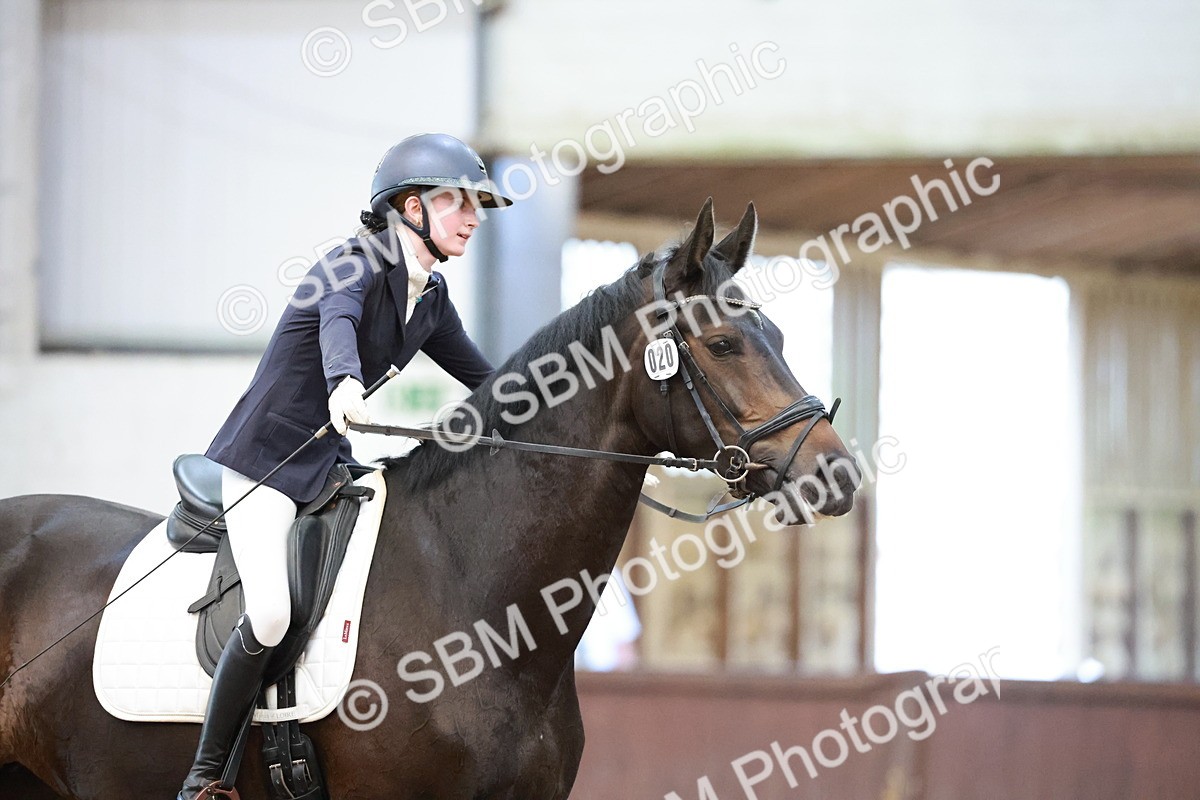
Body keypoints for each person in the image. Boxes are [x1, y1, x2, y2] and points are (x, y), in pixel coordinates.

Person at [176, 133, 511, 800]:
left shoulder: (431, 298)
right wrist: (344, 383)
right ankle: (204, 776)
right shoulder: (349, 264)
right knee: (270, 612)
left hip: (331, 463)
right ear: (412, 207)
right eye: (461, 203)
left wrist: (554, 407)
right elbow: (338, 323)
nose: (475, 216)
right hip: (268, 463)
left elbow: (486, 379)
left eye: (479, 205)